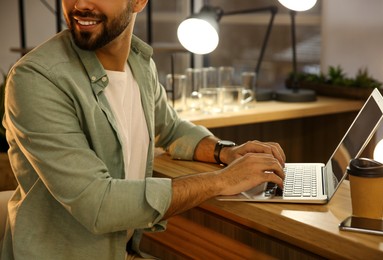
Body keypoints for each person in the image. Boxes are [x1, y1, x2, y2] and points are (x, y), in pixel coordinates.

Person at [1, 0, 286, 259]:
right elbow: (98, 203)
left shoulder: (140, 63)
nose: (80, 4)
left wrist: (226, 152)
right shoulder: (36, 78)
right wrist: (221, 181)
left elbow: (171, 128)